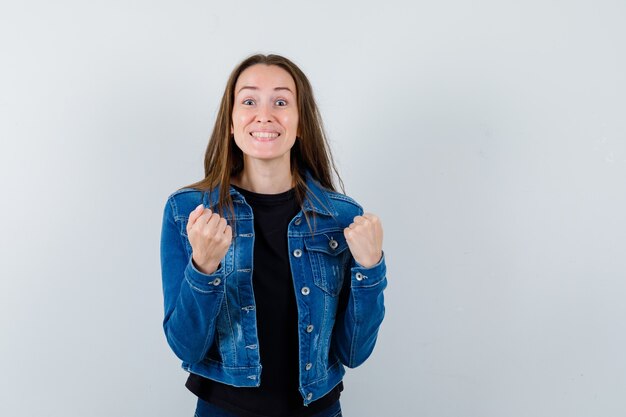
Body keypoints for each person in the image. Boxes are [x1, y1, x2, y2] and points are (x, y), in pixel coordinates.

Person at [160, 54, 387, 417]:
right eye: (249, 101)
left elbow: (354, 353)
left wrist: (371, 268)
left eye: (281, 102)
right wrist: (203, 265)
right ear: (231, 124)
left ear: (300, 124)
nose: (264, 114)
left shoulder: (343, 217)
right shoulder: (188, 211)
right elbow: (186, 347)